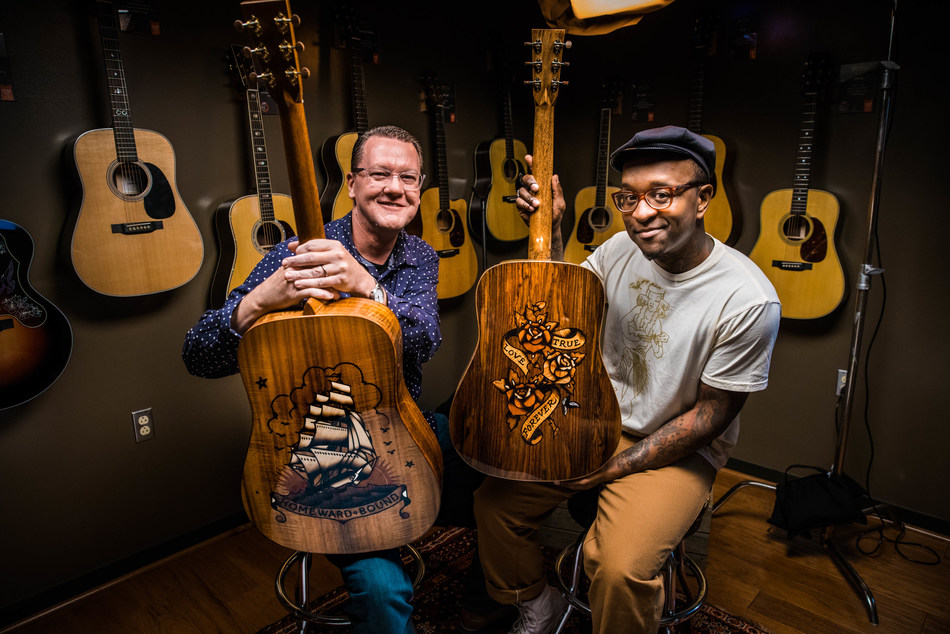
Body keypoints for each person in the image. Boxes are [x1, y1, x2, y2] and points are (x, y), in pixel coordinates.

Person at [473, 125, 781, 634]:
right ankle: (535, 602)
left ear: (702, 198)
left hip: (678, 445)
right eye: (628, 197)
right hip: (593, 418)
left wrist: (605, 472)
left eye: (661, 194)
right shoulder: (619, 249)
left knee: (618, 569)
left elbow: (710, 417)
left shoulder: (748, 300)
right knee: (494, 505)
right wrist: (547, 230)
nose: (640, 214)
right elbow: (556, 313)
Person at [182, 125, 444, 634]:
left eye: (407, 177)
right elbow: (197, 355)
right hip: (325, 456)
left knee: (502, 462)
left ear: (420, 188)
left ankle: (499, 599)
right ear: (351, 183)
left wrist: (365, 286)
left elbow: (424, 339)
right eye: (380, 174)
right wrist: (257, 303)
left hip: (405, 426)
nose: (395, 187)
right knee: (384, 593)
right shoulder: (297, 254)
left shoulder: (420, 257)